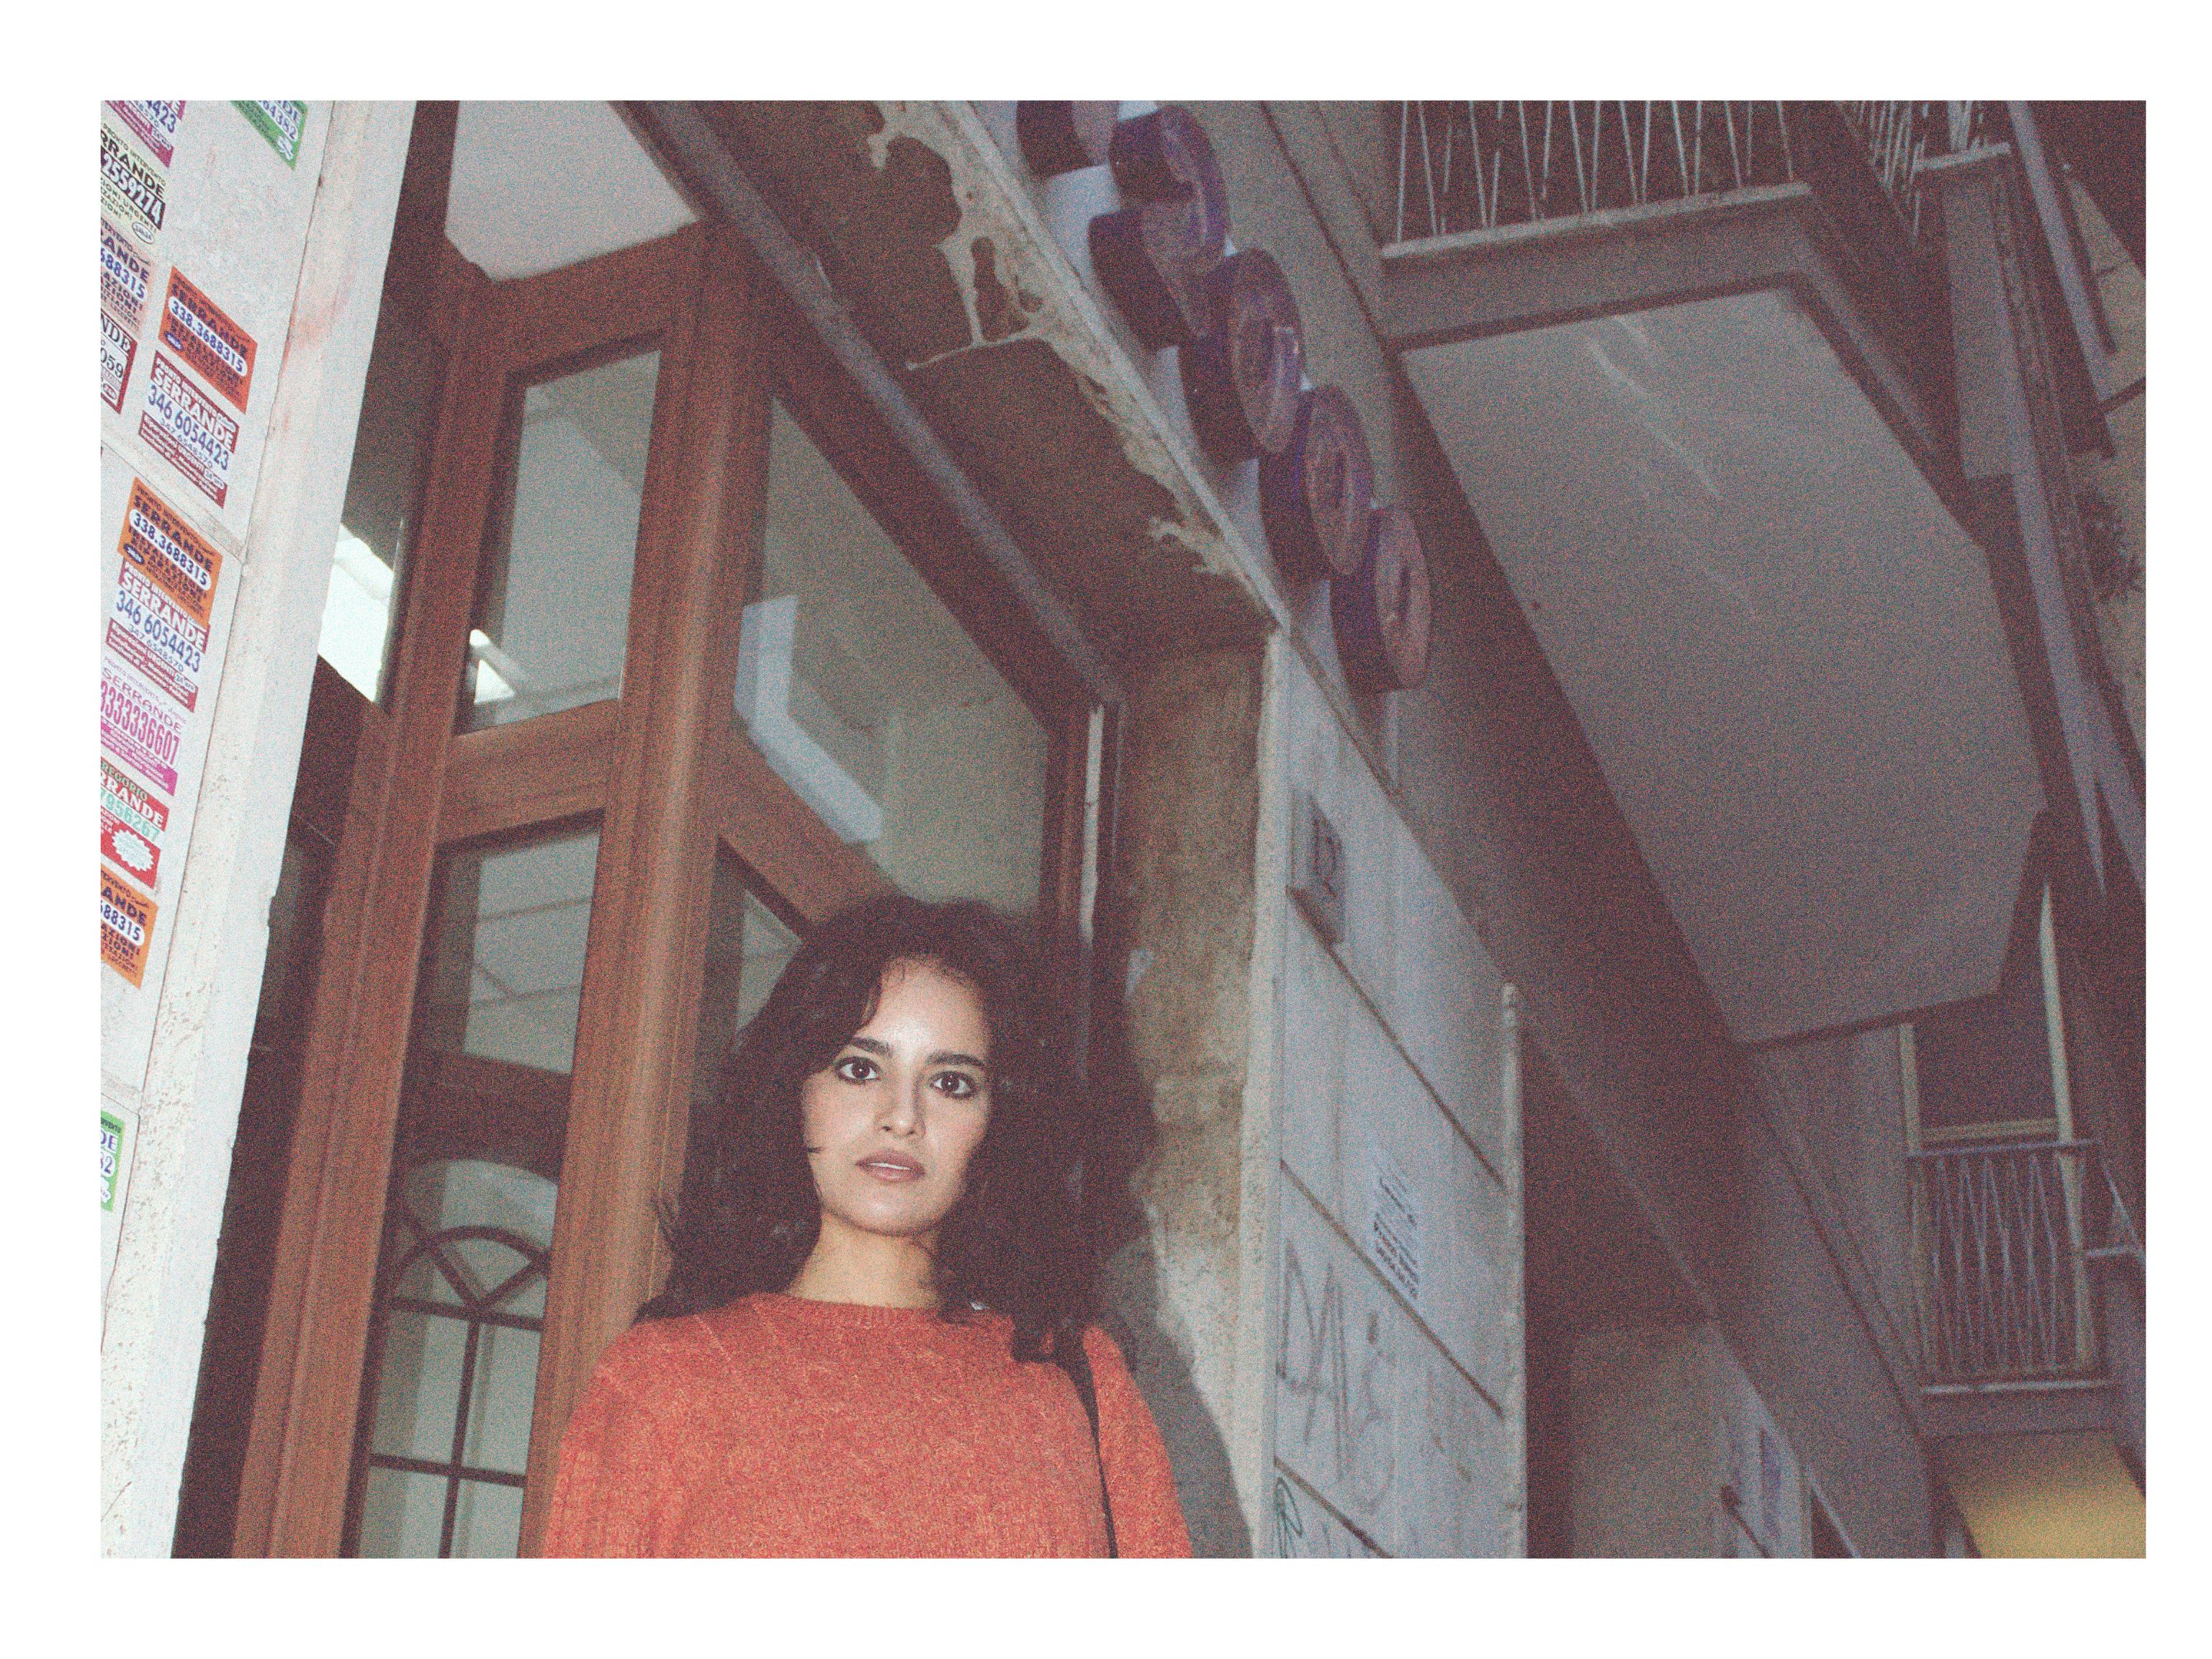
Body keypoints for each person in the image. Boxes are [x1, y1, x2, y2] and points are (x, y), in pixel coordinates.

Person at [542, 893, 1192, 1557]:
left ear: (1000, 1120)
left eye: (951, 1083)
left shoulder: (1077, 1381)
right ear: (794, 1091)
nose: (901, 1117)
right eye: (860, 1069)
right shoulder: (663, 1382)